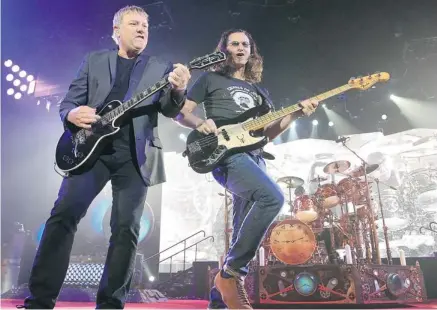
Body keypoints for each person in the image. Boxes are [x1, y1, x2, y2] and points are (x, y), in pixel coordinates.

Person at [21, 5, 191, 309]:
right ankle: (39, 300)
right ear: (117, 31)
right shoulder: (94, 61)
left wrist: (179, 90)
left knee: (126, 228)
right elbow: (70, 101)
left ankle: (111, 304)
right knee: (63, 217)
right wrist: (72, 113)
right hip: (90, 151)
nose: (141, 29)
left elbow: (169, 108)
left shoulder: (160, 66)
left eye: (145, 26)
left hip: (135, 155)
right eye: (134, 24)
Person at [174, 29, 319, 309]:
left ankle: (219, 302)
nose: (240, 48)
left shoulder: (260, 92)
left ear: (252, 52)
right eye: (234, 44)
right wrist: (198, 123)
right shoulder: (210, 79)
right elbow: (182, 113)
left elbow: (268, 134)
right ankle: (231, 275)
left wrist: (295, 114)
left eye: (245, 45)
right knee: (273, 198)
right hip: (225, 154)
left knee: (241, 229)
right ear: (224, 49)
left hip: (255, 157)